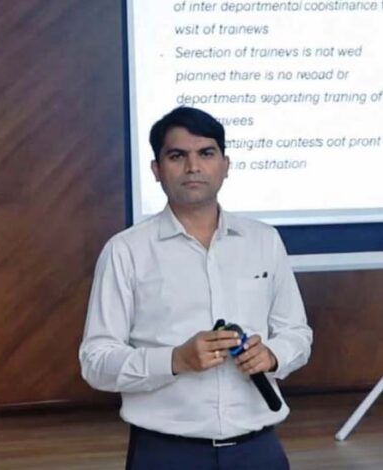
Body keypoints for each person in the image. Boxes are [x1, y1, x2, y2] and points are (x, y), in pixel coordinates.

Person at [79, 107, 312, 469]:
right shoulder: (126, 251)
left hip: (258, 448)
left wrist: (273, 355)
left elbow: (297, 333)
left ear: (226, 165)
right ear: (156, 169)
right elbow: (96, 362)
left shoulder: (264, 240)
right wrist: (175, 360)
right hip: (166, 451)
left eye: (206, 153)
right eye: (177, 156)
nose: (193, 167)